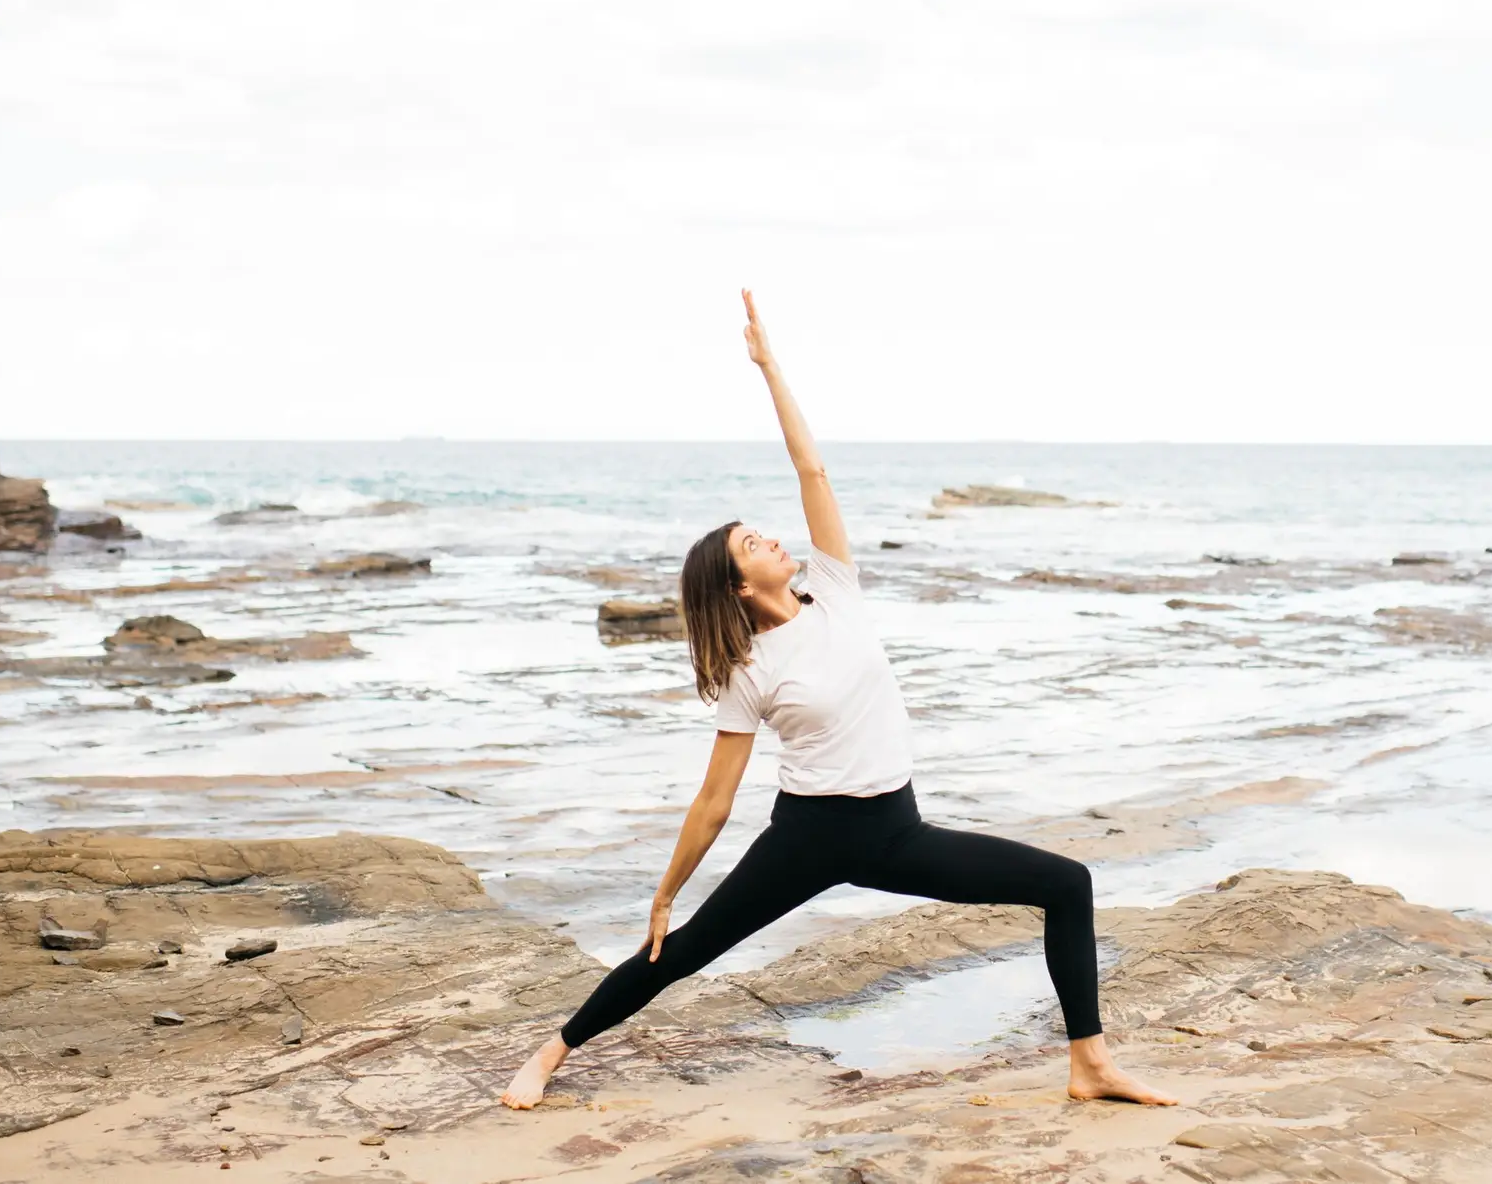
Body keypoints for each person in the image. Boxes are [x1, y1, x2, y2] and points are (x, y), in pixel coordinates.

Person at [499, 289, 1175, 1110]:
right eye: (755, 544)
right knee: (681, 952)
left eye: (764, 531)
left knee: (1066, 883)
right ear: (740, 586)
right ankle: (550, 1052)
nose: (775, 538)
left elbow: (811, 468)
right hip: (808, 838)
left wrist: (769, 365)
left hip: (897, 830)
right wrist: (668, 889)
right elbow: (716, 798)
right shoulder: (748, 668)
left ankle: (1090, 1065)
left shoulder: (835, 585)